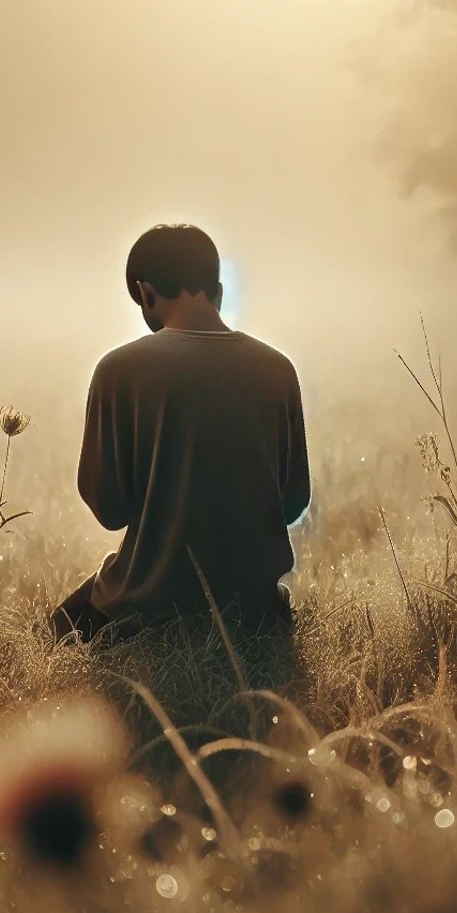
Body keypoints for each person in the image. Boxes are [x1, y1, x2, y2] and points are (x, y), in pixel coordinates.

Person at [50, 224, 310, 645]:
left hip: (143, 605)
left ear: (146, 292)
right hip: (257, 612)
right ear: (218, 290)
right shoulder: (278, 369)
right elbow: (294, 502)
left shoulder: (119, 371)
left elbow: (110, 508)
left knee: (51, 638)